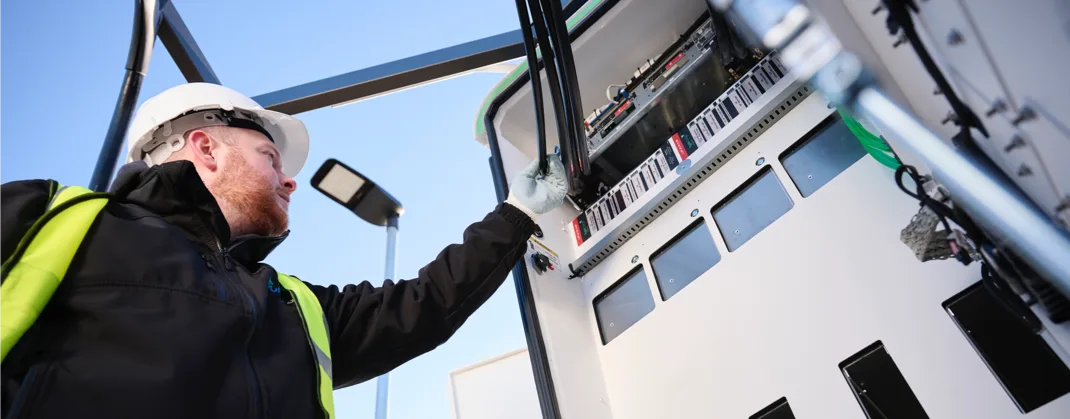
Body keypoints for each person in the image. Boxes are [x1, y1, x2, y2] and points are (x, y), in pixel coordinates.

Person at [0, 82, 568, 419]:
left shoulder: (292, 306)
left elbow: (425, 303)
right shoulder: (53, 219)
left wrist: (517, 213)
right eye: (271, 157)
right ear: (205, 147)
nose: (290, 181)